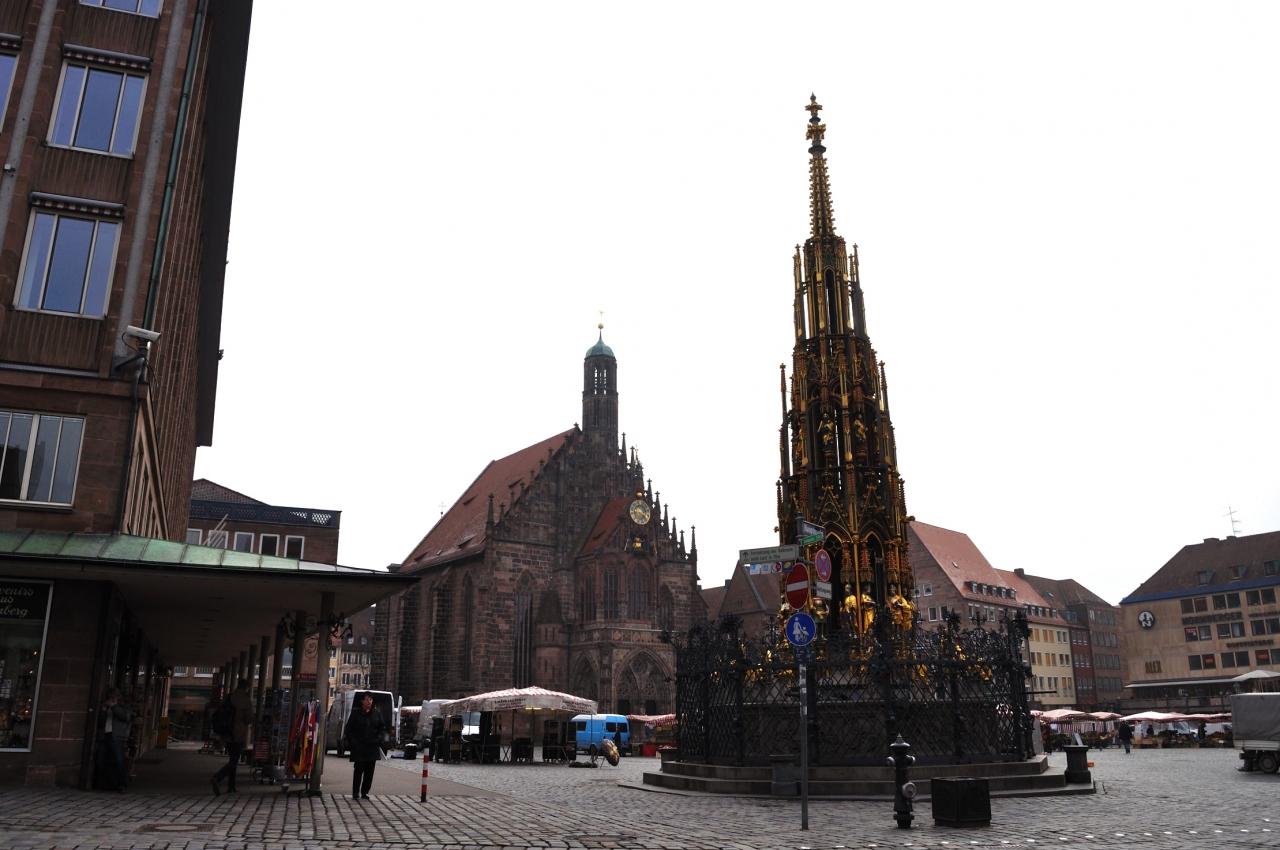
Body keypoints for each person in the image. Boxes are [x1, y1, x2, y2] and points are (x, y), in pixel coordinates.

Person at [211, 679, 252, 795]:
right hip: (237, 734)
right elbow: (248, 718)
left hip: (226, 733)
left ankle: (231, 786)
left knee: (232, 759)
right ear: (246, 688)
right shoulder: (245, 699)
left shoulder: (229, 697)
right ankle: (218, 777)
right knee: (234, 760)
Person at [343, 692, 387, 799]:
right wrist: (353, 742)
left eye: (371, 700)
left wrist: (379, 739)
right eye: (367, 699)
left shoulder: (377, 713)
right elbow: (348, 730)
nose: (369, 702)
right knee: (358, 770)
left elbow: (382, 728)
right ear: (362, 701)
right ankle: (355, 792)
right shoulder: (356, 713)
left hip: (372, 747)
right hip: (359, 747)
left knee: (369, 772)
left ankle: (365, 792)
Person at [97, 688, 130, 791]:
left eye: (114, 696)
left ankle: (122, 784)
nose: (111, 698)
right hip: (104, 735)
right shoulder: (107, 706)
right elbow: (100, 722)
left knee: (119, 760)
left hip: (117, 736)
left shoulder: (123, 706)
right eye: (110, 697)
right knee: (100, 760)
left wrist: (114, 706)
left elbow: (124, 717)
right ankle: (106, 783)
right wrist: (103, 710)